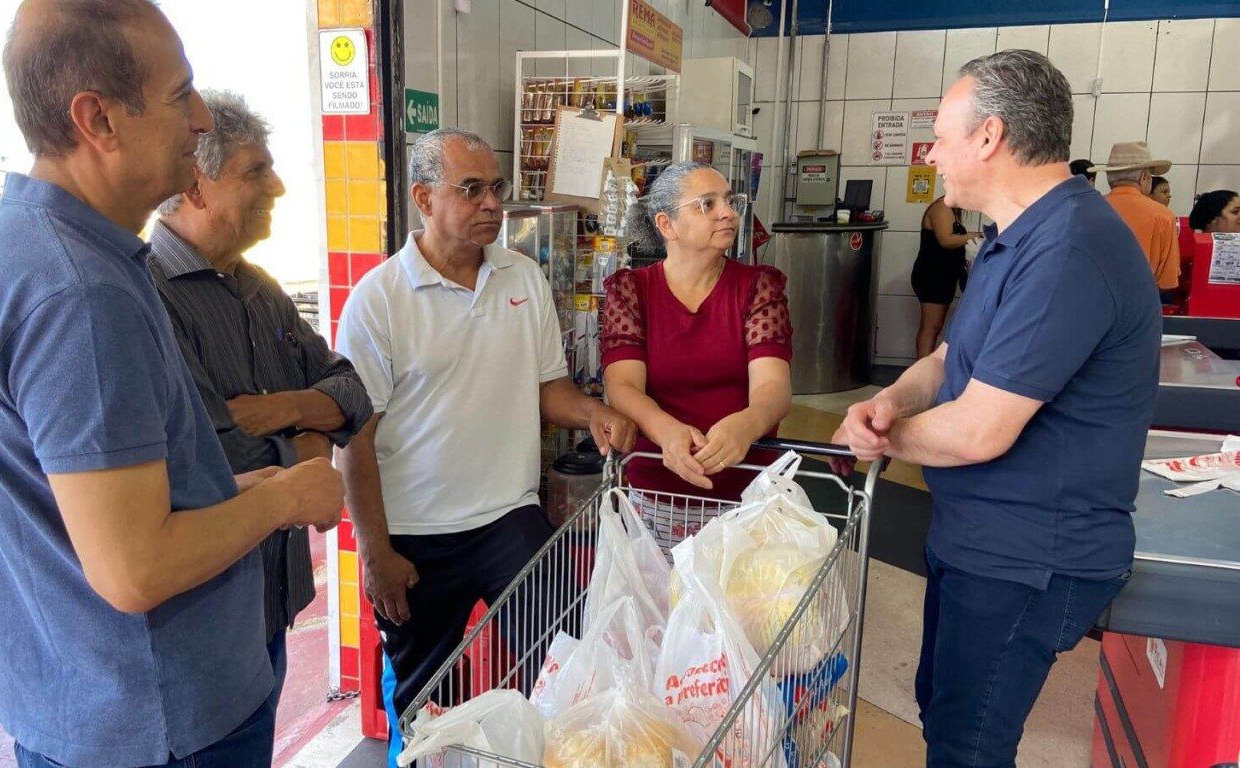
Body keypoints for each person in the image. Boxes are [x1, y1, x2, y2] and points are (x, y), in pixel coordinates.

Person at [0, 2, 343, 766]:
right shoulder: (81, 293)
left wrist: (248, 487)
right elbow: (135, 566)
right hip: (159, 726)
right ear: (98, 119)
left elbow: (92, 506)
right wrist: (286, 498)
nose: (200, 120)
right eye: (179, 94)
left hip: (84, 707)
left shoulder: (11, 249)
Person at [832, 50, 1160, 767]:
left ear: (989, 136)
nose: (931, 154)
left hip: (1030, 554)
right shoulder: (1014, 238)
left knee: (969, 746)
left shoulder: (1068, 248)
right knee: (944, 712)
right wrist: (885, 403)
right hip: (978, 536)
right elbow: (948, 359)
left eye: (940, 136)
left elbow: (981, 429)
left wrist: (878, 440)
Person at [334, 128, 638, 757]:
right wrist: (375, 552)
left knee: (561, 670)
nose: (493, 203)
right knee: (424, 705)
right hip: (417, 534)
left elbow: (548, 389)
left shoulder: (521, 276)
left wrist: (593, 413)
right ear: (424, 198)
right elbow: (354, 439)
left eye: (496, 187)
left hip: (509, 518)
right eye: (471, 189)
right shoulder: (379, 300)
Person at [148, 89, 372, 715]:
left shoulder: (259, 289)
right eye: (256, 171)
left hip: (272, 600)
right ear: (196, 185)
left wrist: (280, 410)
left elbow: (353, 393)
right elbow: (210, 463)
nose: (277, 187)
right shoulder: (151, 297)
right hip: (204, 619)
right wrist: (310, 446)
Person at [599, 161, 792, 538]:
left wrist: (748, 424)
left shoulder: (757, 288)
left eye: (730, 201)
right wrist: (666, 431)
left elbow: (773, 386)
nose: (728, 213)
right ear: (667, 225)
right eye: (707, 204)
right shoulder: (631, 292)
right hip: (658, 489)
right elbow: (622, 386)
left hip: (749, 493)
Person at [1096, 141, 1180, 302]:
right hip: (1139, 305)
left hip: (1091, 304)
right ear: (1144, 177)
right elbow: (1167, 281)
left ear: (1108, 176)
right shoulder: (1163, 215)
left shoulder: (1086, 209)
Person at [909, 196, 981, 358]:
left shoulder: (951, 210)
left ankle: (924, 366)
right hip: (933, 275)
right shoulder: (942, 207)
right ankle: (922, 369)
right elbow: (946, 240)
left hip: (943, 275)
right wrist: (975, 236)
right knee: (931, 327)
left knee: (934, 327)